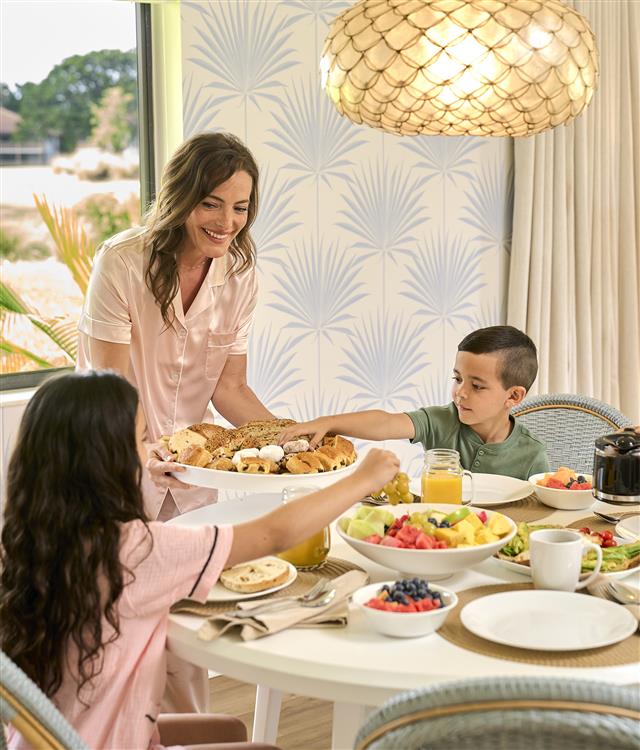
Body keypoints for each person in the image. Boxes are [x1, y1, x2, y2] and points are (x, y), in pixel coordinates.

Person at [0, 371, 399, 750]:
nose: (153, 448)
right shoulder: (137, 552)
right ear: (109, 462)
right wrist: (361, 479)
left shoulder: (33, 542)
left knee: (228, 728)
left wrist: (141, 471)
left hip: (56, 737)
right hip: (111, 742)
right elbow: (274, 534)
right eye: (141, 440)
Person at [77, 132, 274, 524]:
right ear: (181, 199)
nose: (227, 222)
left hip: (193, 478)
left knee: (199, 583)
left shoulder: (240, 276)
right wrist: (145, 450)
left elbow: (230, 388)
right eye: (210, 204)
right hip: (115, 464)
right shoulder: (122, 263)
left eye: (240, 207)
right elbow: (111, 393)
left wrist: (291, 440)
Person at [280, 326, 550, 481]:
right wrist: (328, 423)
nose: (460, 393)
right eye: (457, 378)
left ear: (513, 396)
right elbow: (385, 423)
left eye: (477, 386)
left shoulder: (531, 454)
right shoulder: (442, 421)